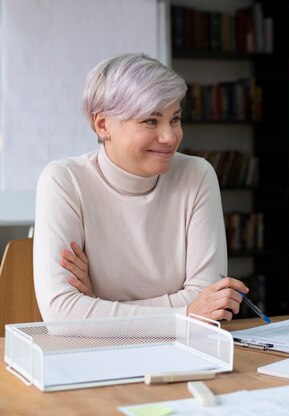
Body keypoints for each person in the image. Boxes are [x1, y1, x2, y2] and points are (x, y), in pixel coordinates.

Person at [34, 53, 248, 322]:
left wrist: (97, 306)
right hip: (94, 355)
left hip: (183, 353)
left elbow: (207, 301)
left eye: (175, 119)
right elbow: (61, 314)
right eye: (150, 120)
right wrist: (184, 314)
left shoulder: (197, 175)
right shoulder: (64, 181)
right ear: (103, 125)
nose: (170, 137)